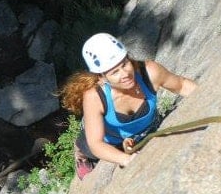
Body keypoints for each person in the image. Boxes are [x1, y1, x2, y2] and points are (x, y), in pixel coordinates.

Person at [60, 32, 197, 178]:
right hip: (109, 139)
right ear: (101, 78)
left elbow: (181, 85)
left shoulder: (149, 72)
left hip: (145, 130)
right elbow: (96, 144)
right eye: (115, 72)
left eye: (125, 64)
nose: (125, 74)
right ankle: (80, 155)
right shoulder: (94, 97)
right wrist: (126, 159)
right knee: (86, 145)